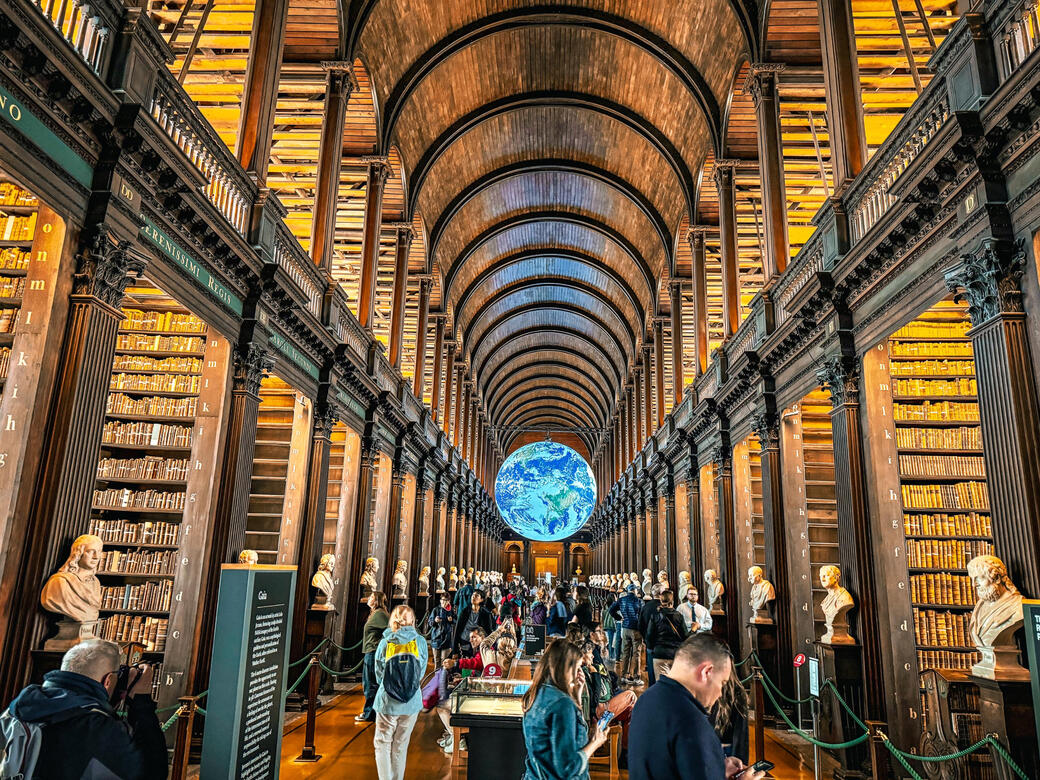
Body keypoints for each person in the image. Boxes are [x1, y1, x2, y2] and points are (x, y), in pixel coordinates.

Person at [3, 639, 166, 780]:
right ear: (108, 680)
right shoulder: (98, 726)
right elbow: (153, 773)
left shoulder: (16, 709)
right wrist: (141, 702)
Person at [628, 634, 764, 780]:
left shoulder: (646, 700)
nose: (719, 694)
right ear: (706, 672)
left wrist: (716, 765)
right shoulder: (692, 722)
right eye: (722, 683)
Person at [521, 639, 608, 780]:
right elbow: (567, 768)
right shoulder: (562, 704)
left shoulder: (535, 694)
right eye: (578, 667)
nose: (580, 673)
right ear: (567, 667)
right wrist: (595, 742)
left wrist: (577, 696)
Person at [373, 605, 428, 780]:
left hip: (388, 700)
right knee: (401, 745)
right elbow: (420, 671)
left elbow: (379, 672)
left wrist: (389, 686)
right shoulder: (419, 642)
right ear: (412, 620)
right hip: (411, 701)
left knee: (382, 742)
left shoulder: (386, 642)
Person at [356, 591, 390, 722]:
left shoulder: (380, 614)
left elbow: (389, 630)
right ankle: (373, 712)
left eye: (371, 597)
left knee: (370, 683)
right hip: (371, 650)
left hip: (374, 652)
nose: (368, 599)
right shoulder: (375, 613)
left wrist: (381, 644)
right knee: (370, 682)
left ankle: (369, 713)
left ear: (376, 600)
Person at [645, 589, 689, 679]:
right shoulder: (679, 616)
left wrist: (651, 649)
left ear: (661, 601)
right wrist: (693, 630)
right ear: (672, 601)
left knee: (662, 684)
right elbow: (685, 636)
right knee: (676, 683)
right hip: (675, 653)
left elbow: (649, 635)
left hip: (660, 652)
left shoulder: (655, 616)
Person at [608, 584, 645, 685]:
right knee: (636, 653)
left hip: (625, 628)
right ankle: (636, 677)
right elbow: (642, 616)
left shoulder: (622, 599)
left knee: (625, 652)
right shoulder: (639, 601)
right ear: (635, 591)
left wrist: (619, 618)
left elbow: (611, 610)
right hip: (636, 629)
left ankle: (624, 676)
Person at [711, 674, 749, 762]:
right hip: (724, 747)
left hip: (720, 748)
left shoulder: (737, 693)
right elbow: (741, 734)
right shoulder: (739, 692)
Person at [452, 589, 495, 654]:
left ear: (482, 599)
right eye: (473, 595)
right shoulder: (464, 612)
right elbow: (457, 630)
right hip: (464, 642)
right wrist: (454, 650)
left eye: (476, 596)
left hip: (478, 644)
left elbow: (488, 631)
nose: (473, 597)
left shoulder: (486, 614)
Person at [638, 584, 663, 685]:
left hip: (650, 641)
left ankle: (653, 688)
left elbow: (640, 624)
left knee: (651, 668)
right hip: (663, 641)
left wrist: (645, 638)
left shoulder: (646, 606)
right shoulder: (665, 607)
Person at [427, 593, 455, 669]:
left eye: (446, 600)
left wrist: (452, 620)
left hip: (447, 639)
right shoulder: (435, 610)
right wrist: (435, 621)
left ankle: (444, 679)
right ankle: (437, 678)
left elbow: (456, 621)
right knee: (437, 660)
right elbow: (430, 623)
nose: (444, 602)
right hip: (436, 638)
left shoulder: (451, 610)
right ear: (440, 600)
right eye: (442, 600)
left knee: (445, 661)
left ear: (449, 601)